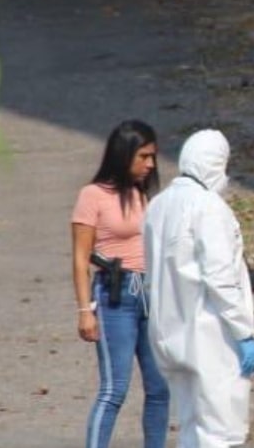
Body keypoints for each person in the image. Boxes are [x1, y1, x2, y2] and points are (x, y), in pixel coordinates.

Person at [144, 130, 254, 448]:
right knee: (221, 431)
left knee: (191, 428)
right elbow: (220, 277)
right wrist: (243, 332)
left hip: (169, 335)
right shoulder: (209, 206)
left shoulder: (158, 205)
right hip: (210, 336)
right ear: (214, 164)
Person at [71, 120, 171, 448]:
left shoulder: (143, 194)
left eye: (152, 156)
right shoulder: (93, 195)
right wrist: (85, 310)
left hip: (150, 294)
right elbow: (80, 256)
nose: (150, 164)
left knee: (159, 388)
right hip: (117, 296)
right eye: (143, 156)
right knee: (114, 389)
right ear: (123, 153)